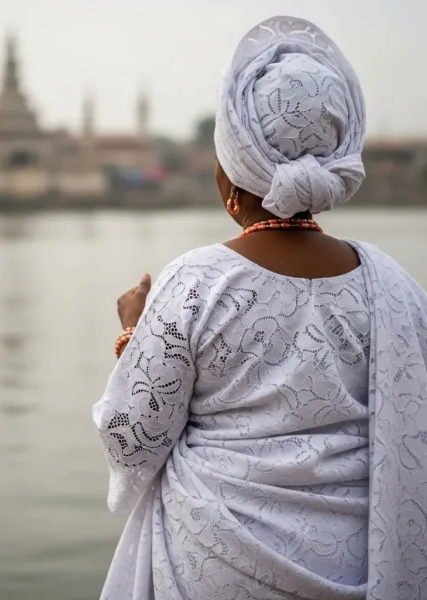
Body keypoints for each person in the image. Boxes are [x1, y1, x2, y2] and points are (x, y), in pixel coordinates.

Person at [93, 15, 427, 600]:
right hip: (362, 566)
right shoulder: (395, 287)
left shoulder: (197, 282)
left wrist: (131, 334)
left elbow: (132, 440)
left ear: (231, 174)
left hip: (211, 570)